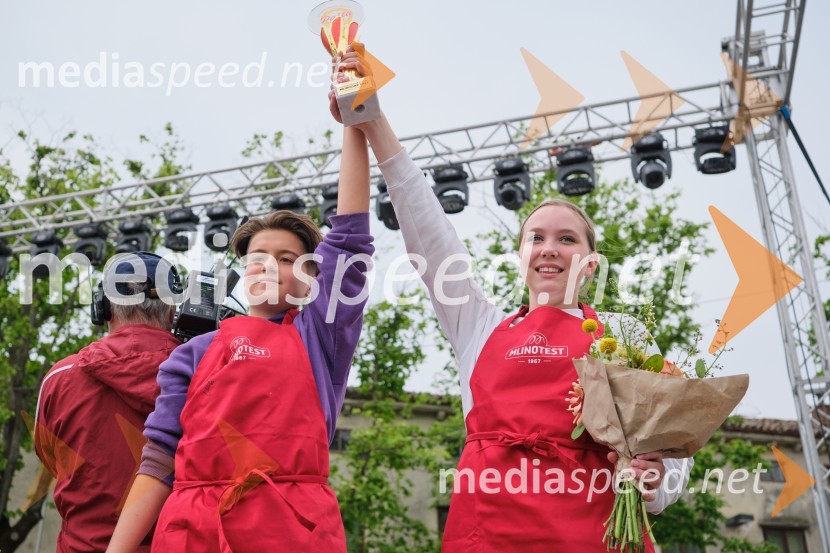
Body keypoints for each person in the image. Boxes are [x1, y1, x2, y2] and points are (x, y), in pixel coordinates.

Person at [329, 46, 691, 552]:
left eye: (567, 239)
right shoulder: (478, 323)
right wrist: (372, 121)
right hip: (488, 530)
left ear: (590, 262)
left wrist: (657, 480)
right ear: (519, 257)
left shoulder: (624, 335)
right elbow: (429, 235)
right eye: (536, 237)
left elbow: (672, 457)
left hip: (593, 533)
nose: (549, 248)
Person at [106, 125, 374, 553]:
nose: (267, 265)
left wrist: (353, 121)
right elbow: (158, 461)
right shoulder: (189, 356)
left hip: (292, 530)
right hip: (191, 532)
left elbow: (349, 238)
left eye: (287, 259)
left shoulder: (320, 337)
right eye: (256, 258)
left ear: (311, 282)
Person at [35, 252, 182, 552]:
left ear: (103, 308)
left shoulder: (59, 378)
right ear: (172, 311)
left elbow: (52, 460)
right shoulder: (207, 373)